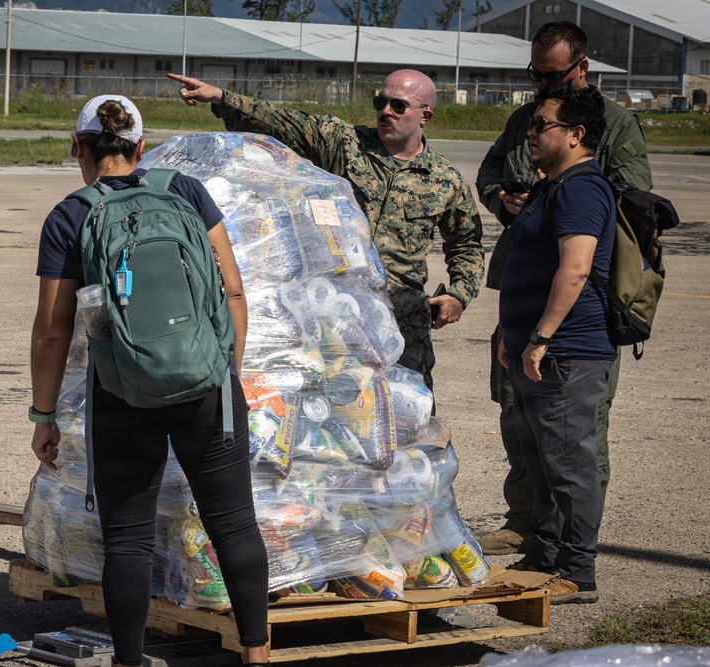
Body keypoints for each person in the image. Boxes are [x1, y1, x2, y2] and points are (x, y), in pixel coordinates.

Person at [28, 95, 269, 667]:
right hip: (208, 385)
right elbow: (234, 292)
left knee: (129, 540)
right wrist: (222, 377)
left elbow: (53, 331)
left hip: (122, 393)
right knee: (234, 524)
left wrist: (43, 418)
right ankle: (258, 659)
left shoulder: (70, 215)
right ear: (141, 148)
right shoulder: (185, 191)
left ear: (77, 147)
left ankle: (130, 662)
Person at [167, 69, 483, 395]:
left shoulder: (444, 179)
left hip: (403, 320)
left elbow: (468, 243)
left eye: (398, 106)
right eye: (380, 102)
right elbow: (282, 121)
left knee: (411, 413)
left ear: (425, 115)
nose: (385, 111)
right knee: (338, 411)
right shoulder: (344, 144)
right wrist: (221, 97)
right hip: (331, 312)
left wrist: (459, 294)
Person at [475, 20, 652, 555]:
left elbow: (636, 201)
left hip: (574, 309)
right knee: (518, 413)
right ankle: (528, 520)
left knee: (575, 429)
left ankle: (576, 544)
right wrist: (501, 200)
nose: (543, 85)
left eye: (552, 75)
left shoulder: (614, 125)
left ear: (582, 68)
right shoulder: (524, 119)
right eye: (536, 74)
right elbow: (488, 175)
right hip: (524, 293)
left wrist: (559, 200)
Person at [498, 84, 616, 604]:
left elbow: (576, 269)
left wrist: (541, 336)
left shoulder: (582, 189)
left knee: (569, 463)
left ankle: (578, 569)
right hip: (535, 348)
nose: (531, 132)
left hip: (566, 352)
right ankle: (543, 553)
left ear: (576, 134)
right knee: (542, 460)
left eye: (541, 125)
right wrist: (515, 337)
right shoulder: (551, 186)